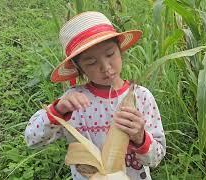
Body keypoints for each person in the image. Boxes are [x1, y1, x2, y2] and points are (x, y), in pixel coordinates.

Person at [24, 11, 166, 180]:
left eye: (110, 54)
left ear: (120, 51)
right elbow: (32, 140)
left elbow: (156, 157)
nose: (106, 67)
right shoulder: (72, 103)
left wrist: (140, 137)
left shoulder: (141, 97)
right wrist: (58, 111)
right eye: (91, 62)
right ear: (79, 68)